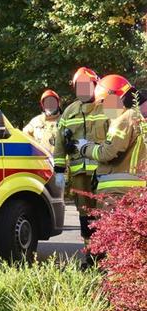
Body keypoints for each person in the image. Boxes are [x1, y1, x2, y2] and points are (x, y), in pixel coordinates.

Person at [53, 67, 108, 244]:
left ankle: (109, 258)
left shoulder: (109, 104)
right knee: (85, 216)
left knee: (106, 213)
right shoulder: (69, 111)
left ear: (95, 85)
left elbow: (121, 132)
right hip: (79, 175)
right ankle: (91, 255)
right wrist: (59, 170)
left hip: (104, 172)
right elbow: (60, 142)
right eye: (80, 86)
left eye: (87, 86)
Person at [79, 80, 146, 204]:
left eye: (105, 102)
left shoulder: (125, 118)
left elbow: (108, 153)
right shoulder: (138, 117)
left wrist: (84, 148)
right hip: (134, 187)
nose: (104, 107)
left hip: (117, 191)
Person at [23, 89, 62, 153]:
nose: (50, 104)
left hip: (61, 161)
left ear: (58, 104)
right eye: (47, 102)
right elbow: (24, 135)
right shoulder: (36, 121)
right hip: (41, 160)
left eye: (52, 102)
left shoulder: (65, 119)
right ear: (43, 105)